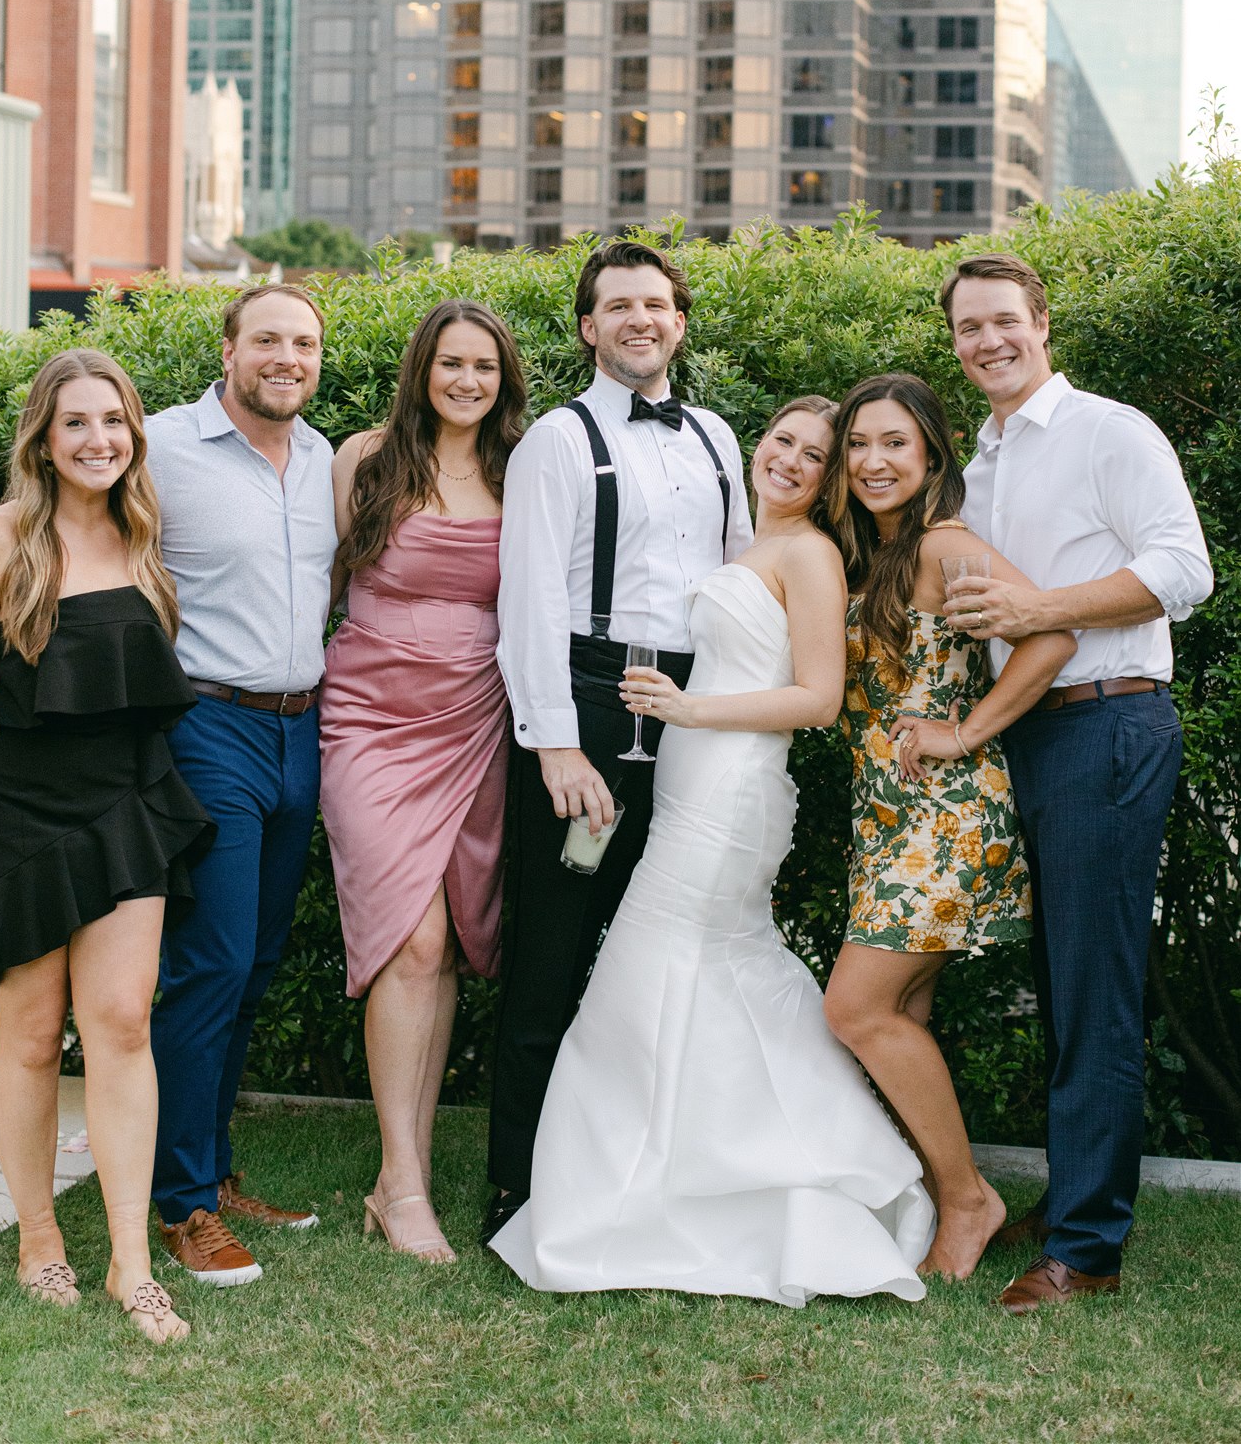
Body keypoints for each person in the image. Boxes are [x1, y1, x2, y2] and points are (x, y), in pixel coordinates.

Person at [491, 398, 937, 1305]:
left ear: (828, 480)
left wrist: (690, 710)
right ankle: (693, 1174)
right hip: (690, 782)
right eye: (783, 442)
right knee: (702, 976)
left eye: (816, 456)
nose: (793, 462)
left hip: (731, 792)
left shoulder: (808, 554)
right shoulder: (739, 544)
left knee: (652, 970)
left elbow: (816, 698)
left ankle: (676, 1191)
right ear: (756, 443)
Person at [0, 285, 337, 1289]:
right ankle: (180, 1203)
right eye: (267, 338)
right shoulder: (163, 444)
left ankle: (207, 1170)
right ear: (228, 348)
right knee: (203, 964)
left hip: (299, 728)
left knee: (249, 958)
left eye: (303, 342)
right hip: (204, 726)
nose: (285, 357)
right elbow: (24, 552)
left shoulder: (326, 458)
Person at [0, 350, 213, 1344]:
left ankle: (131, 1257)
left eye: (116, 421)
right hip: (14, 818)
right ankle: (40, 1236)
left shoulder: (140, 530)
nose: (100, 440)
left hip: (125, 804)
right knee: (31, 1032)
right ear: (42, 437)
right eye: (77, 422)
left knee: (123, 1018)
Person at [939, 252, 1213, 1312]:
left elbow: (1183, 570)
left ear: (1041, 323)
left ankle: (1087, 1247)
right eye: (968, 328)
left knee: (1094, 989)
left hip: (1108, 721)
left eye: (1004, 320)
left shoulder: (1109, 429)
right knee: (1063, 982)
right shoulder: (986, 455)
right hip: (1034, 731)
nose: (987, 341)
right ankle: (1069, 1202)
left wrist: (1035, 609)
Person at [484, 239, 754, 1243]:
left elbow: (738, 580)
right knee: (553, 952)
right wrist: (556, 747)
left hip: (694, 709)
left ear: (678, 320)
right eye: (618, 305)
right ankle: (517, 1185)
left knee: (668, 955)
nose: (641, 318)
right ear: (590, 327)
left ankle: (645, 1176)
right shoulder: (555, 440)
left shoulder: (719, 438)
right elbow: (529, 600)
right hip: (591, 707)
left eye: (658, 302)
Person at [817, 373, 1076, 1281]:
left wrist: (966, 729)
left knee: (853, 1007)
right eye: (858, 445)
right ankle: (932, 1203)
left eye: (895, 443)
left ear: (931, 454)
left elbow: (1049, 635)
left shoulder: (944, 546)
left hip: (948, 814)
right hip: (883, 816)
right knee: (900, 1011)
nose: (874, 462)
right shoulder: (867, 552)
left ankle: (970, 1198)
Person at [320, 300, 525, 1265]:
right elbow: (304, 580)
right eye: (450, 364)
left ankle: (401, 1169)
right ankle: (403, 1183)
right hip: (367, 718)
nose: (467, 381)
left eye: (484, 366)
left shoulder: (522, 468)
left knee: (440, 951)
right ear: (423, 370)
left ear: (504, 377)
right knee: (413, 937)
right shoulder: (363, 459)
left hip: (474, 718)